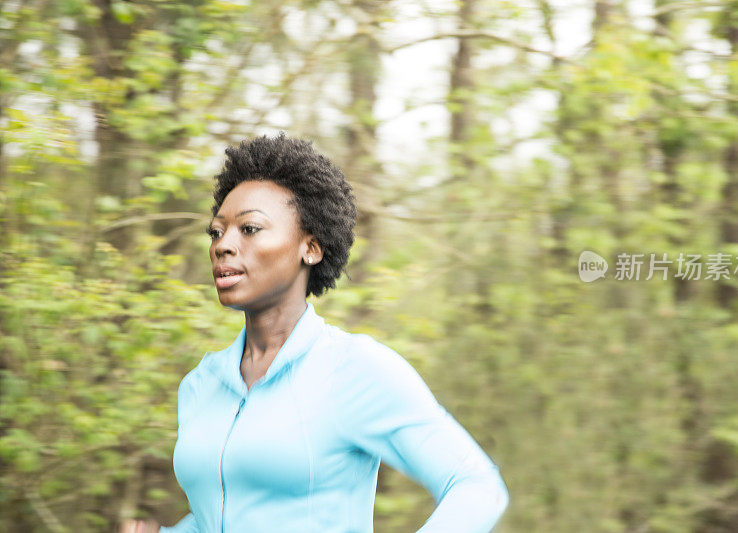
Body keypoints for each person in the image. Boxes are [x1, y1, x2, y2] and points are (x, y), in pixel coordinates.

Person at [121, 133, 509, 533]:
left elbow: (476, 486)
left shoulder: (355, 370)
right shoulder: (200, 385)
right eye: (216, 232)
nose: (224, 245)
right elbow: (225, 513)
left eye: (250, 228)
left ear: (311, 248)